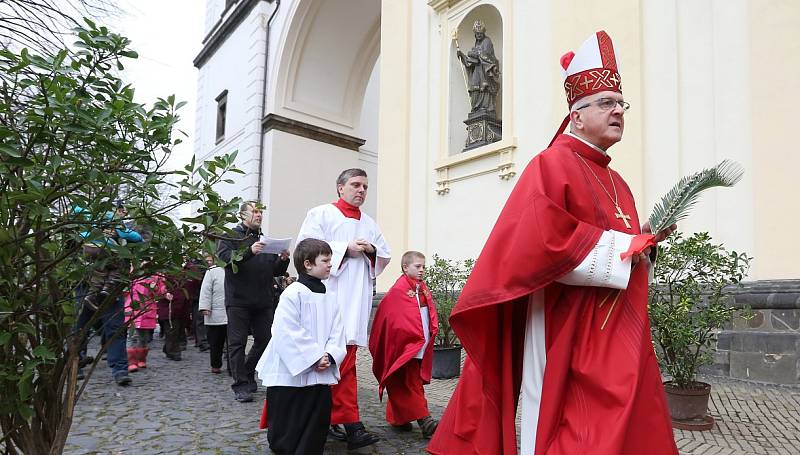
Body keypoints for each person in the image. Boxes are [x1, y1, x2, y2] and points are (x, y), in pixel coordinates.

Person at [428, 31, 678, 455]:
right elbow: (540, 242)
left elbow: (625, 252)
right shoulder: (551, 164)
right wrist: (625, 250)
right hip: (564, 322)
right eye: (607, 103)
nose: (619, 110)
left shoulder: (618, 180)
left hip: (617, 328)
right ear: (577, 116)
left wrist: (644, 249)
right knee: (562, 423)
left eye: (621, 103)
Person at [296, 168, 390, 450]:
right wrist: (342, 248)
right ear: (340, 188)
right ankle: (347, 423)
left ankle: (334, 421)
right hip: (328, 299)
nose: (361, 190)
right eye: (355, 185)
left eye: (365, 186)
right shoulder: (321, 214)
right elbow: (305, 249)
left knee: (344, 359)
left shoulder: (370, 223)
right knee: (335, 361)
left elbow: (384, 255)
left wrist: (372, 250)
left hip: (356, 301)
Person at [255, 238, 346, 455]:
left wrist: (330, 355)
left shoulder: (330, 296)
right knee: (289, 428)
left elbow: (338, 331)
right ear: (308, 264)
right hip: (291, 375)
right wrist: (314, 357)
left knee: (317, 424)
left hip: (320, 373)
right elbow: (285, 330)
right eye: (325, 260)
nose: (330, 264)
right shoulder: (293, 293)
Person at [217, 201, 290, 403]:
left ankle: (248, 372)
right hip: (238, 300)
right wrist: (250, 252)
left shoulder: (266, 240)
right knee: (237, 343)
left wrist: (283, 259)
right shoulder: (229, 236)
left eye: (260, 212)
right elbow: (225, 260)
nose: (259, 215)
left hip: (263, 300)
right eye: (254, 212)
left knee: (265, 340)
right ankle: (240, 385)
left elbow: (275, 271)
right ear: (242, 215)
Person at [369, 251, 439, 439]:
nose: (422, 270)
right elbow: (392, 320)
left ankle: (398, 418)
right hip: (405, 347)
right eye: (418, 266)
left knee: (404, 382)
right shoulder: (399, 290)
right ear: (405, 267)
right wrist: (406, 342)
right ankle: (425, 420)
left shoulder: (420, 287)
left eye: (423, 266)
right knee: (410, 383)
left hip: (418, 344)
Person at [124, 271, 169, 372]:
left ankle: (141, 359)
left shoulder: (157, 276)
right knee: (132, 336)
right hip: (133, 308)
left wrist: (156, 288)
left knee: (144, 338)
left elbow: (161, 291)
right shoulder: (133, 274)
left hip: (147, 310)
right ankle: (131, 361)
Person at [456, 20, 500, 117]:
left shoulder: (487, 41)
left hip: (485, 73)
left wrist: (476, 53)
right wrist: (462, 56)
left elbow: (488, 57)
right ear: (474, 34)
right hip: (477, 71)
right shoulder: (477, 43)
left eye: (480, 33)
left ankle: (487, 108)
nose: (479, 35)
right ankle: (476, 108)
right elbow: (471, 62)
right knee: (474, 88)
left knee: (484, 89)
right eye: (477, 34)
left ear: (484, 32)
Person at [199, 253, 227, 374]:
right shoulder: (212, 271)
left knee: (233, 342)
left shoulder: (237, 269)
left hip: (233, 312)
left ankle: (233, 366)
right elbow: (206, 290)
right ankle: (216, 364)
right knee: (216, 342)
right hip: (215, 313)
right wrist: (205, 307)